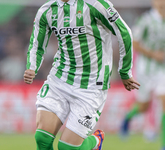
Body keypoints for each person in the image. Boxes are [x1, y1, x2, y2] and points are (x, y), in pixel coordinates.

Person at [24, 0, 140, 149]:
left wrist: (124, 72)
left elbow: (124, 33)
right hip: (59, 80)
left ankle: (96, 141)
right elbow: (37, 45)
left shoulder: (96, 5)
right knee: (42, 139)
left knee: (66, 148)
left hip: (91, 86)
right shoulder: (46, 11)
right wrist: (31, 67)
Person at [120, 0, 165, 149]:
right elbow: (135, 43)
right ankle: (127, 118)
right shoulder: (145, 21)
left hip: (162, 70)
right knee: (143, 106)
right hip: (145, 70)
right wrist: (153, 54)